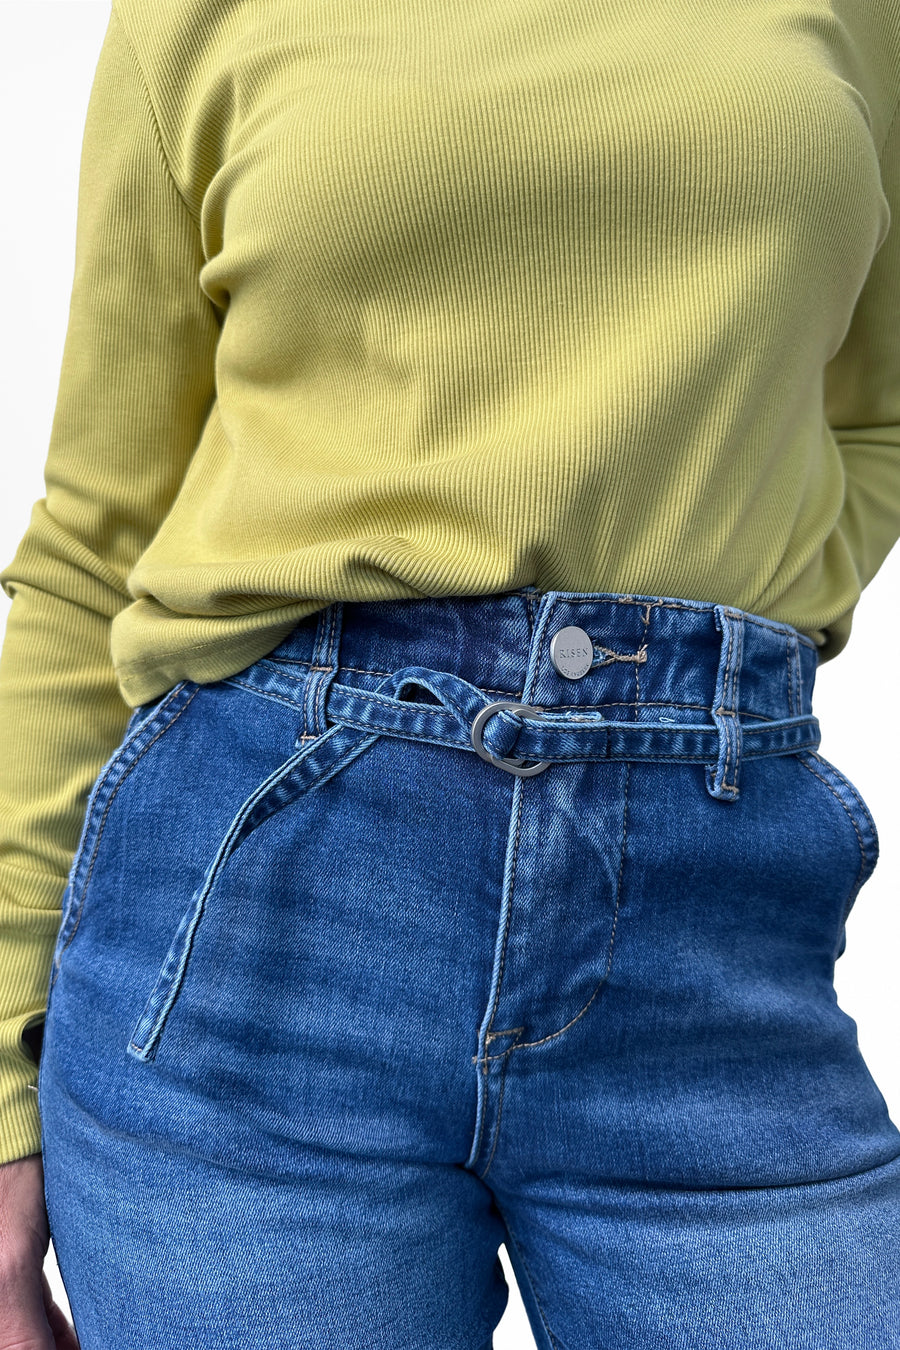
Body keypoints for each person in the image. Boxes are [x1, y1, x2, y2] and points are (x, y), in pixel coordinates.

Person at [1, 1, 899, 1345]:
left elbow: (877, 412)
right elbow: (93, 547)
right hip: (253, 941)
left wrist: (743, 613)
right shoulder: (190, 18)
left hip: (712, 942)